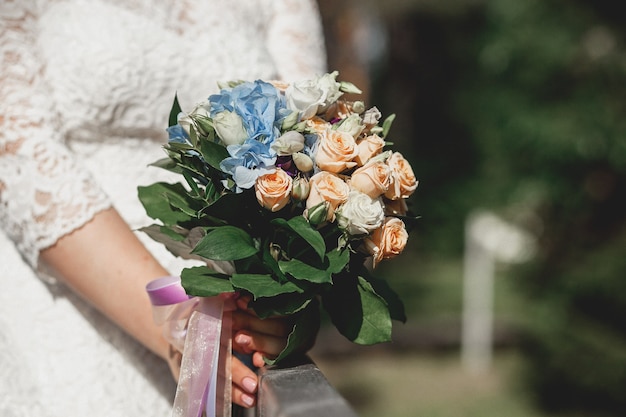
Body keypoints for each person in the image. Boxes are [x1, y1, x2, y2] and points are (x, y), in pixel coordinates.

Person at [0, 0, 327, 415]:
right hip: (68, 304)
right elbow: (18, 151)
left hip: (240, 324)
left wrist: (283, 305)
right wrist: (183, 325)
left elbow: (315, 142)